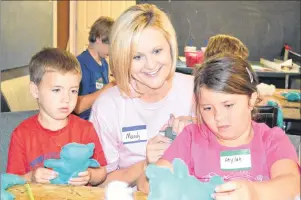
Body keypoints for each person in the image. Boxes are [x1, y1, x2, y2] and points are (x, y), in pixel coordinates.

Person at [137, 55, 300, 200]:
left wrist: (256, 195)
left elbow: (292, 185)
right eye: (207, 108)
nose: (219, 117)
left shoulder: (272, 139)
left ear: (251, 100)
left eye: (228, 105)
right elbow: (150, 183)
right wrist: (153, 176)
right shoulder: (190, 138)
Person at [89, 4, 195, 186]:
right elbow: (100, 183)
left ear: (170, 47)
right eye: (137, 57)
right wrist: (146, 164)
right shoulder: (108, 106)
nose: (151, 65)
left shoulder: (196, 91)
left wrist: (200, 133)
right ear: (122, 59)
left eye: (157, 51)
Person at [6, 48, 107, 186]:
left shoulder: (86, 129)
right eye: (57, 90)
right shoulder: (21, 134)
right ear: (35, 90)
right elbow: (12, 181)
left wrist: (89, 175)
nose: (66, 99)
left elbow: (101, 172)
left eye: (73, 91)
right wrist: (31, 177)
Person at [74, 16, 115, 120]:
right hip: (85, 124)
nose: (111, 51)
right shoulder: (79, 64)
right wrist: (107, 88)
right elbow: (77, 107)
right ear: (99, 39)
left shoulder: (104, 63)